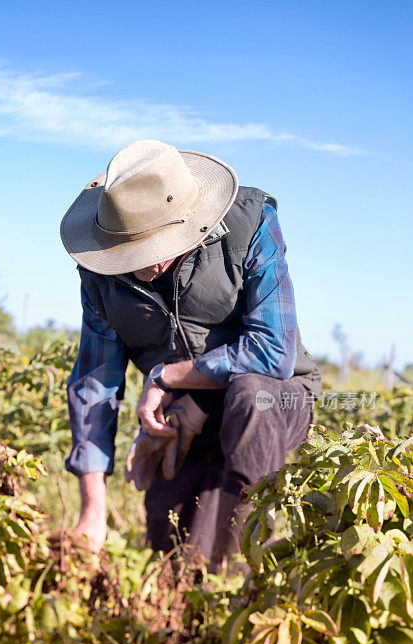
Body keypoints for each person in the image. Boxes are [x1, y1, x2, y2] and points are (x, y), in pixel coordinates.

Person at [59, 139, 321, 568]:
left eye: (160, 245)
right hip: (186, 409)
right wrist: (93, 507)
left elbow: (275, 351)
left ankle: (249, 573)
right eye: (133, 250)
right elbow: (94, 383)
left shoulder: (251, 225)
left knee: (251, 406)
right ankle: (181, 613)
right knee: (173, 543)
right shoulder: (100, 277)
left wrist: (167, 376)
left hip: (275, 396)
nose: (148, 265)